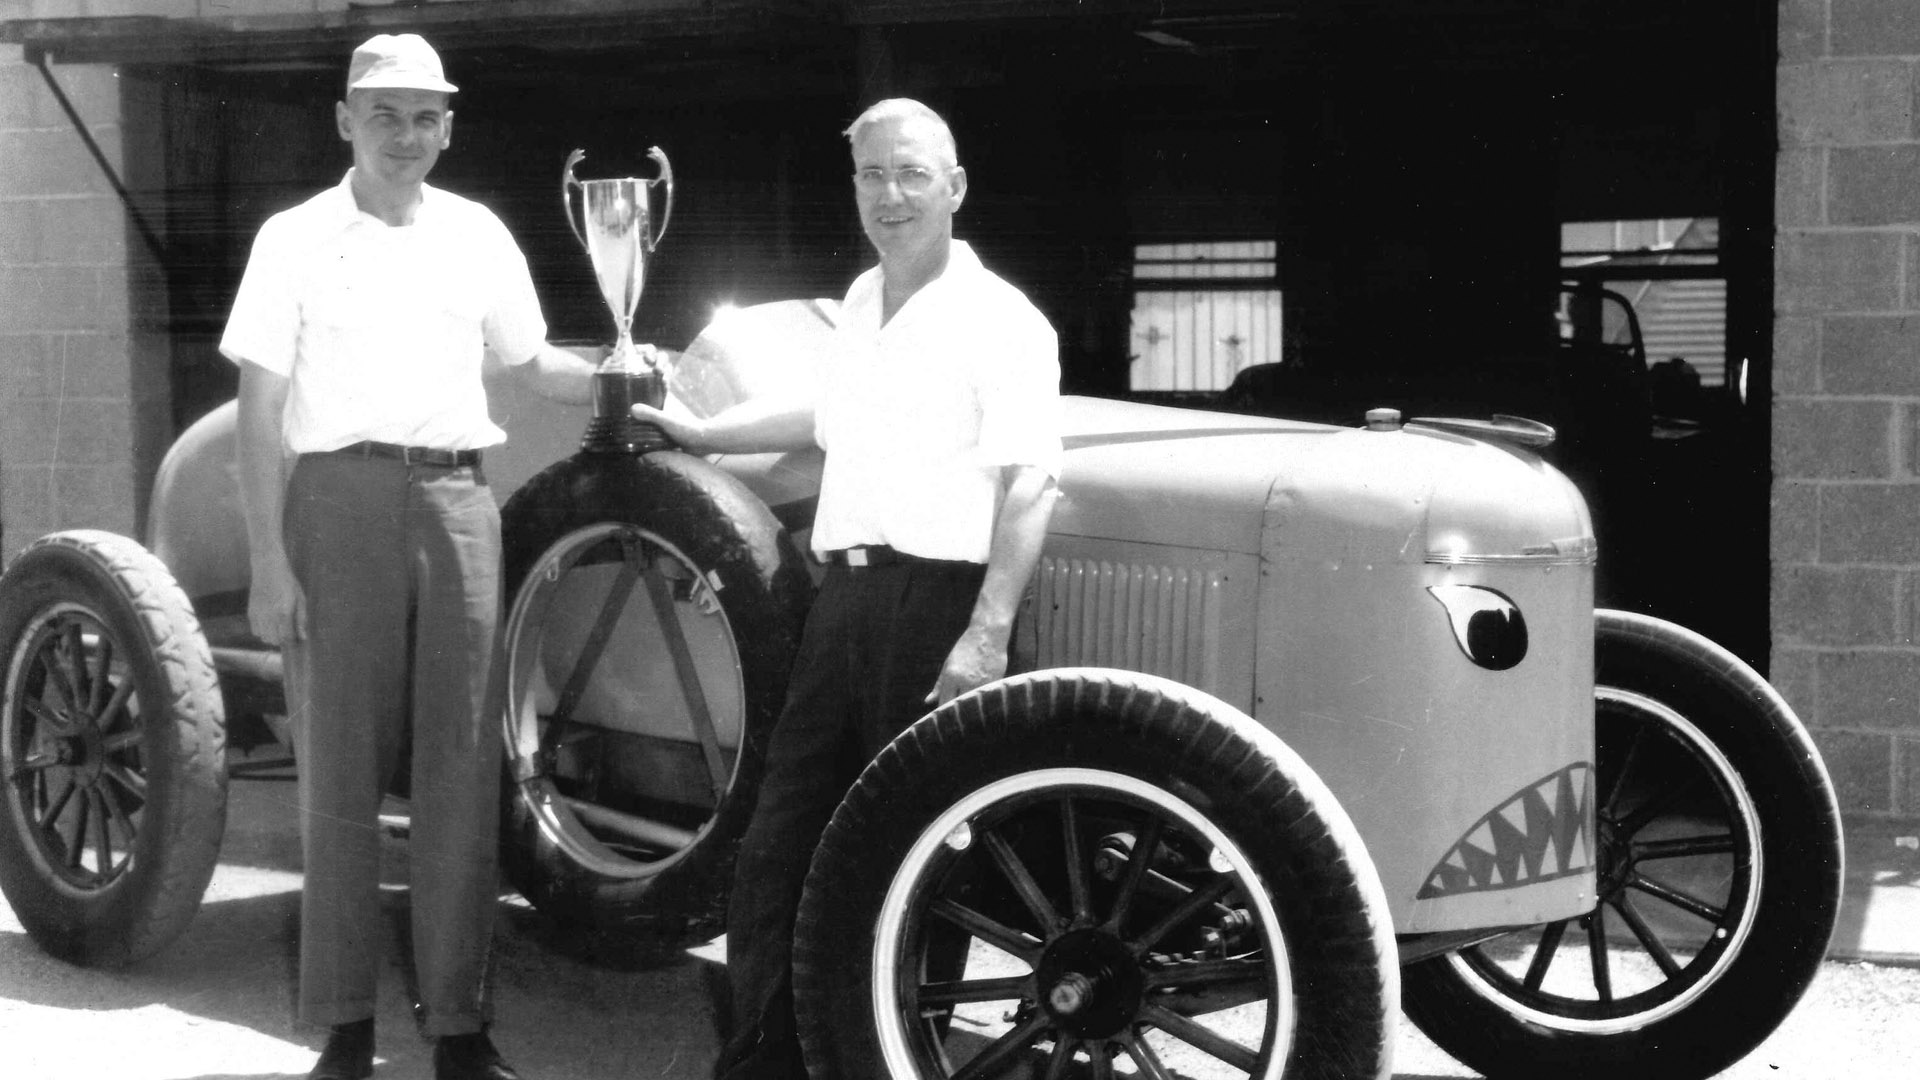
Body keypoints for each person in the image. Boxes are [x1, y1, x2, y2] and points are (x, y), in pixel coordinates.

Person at [632, 97, 1062, 1080]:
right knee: (781, 843)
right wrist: (702, 436)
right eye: (872, 175)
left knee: (916, 866)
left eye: (912, 174)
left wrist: (985, 636)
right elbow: (823, 412)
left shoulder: (1004, 322)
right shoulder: (865, 299)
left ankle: (894, 1060)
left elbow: (1031, 483)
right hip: (847, 604)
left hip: (940, 610)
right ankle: (758, 1062)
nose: (891, 195)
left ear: (954, 187)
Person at [220, 33, 599, 1080]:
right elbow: (258, 413)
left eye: (426, 114)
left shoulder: (477, 234)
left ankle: (459, 1030)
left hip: (458, 504)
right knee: (339, 773)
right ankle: (343, 1030)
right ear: (345, 121)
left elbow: (532, 363)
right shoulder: (293, 238)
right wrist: (268, 563)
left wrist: (624, 368)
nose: (406, 134)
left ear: (449, 125)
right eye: (384, 112)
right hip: (335, 504)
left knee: (463, 775)